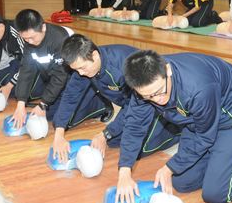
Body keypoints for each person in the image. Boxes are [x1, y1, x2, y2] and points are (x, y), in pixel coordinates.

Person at [115, 50, 232, 203]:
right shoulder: (144, 87)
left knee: (216, 194)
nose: (158, 99)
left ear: (168, 70)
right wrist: (124, 171)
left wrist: (168, 168)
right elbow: (135, 127)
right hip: (197, 119)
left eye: (159, 91)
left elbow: (205, 137)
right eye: (149, 96)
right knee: (182, 182)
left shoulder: (198, 87)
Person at [51, 35, 179, 163]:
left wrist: (105, 134)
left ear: (95, 56)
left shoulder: (123, 67)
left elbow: (134, 105)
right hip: (131, 104)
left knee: (138, 149)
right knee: (114, 141)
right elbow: (70, 97)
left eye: (82, 68)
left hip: (154, 102)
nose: (80, 73)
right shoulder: (84, 67)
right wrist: (59, 134)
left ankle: (179, 129)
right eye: (76, 69)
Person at [10, 9, 106, 129]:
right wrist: (21, 103)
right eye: (26, 39)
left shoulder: (60, 40)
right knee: (48, 116)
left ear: (43, 27)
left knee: (62, 121)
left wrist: (43, 103)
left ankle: (99, 104)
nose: (29, 41)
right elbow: (26, 70)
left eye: (32, 37)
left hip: (77, 82)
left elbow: (60, 75)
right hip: (57, 84)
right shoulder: (30, 42)